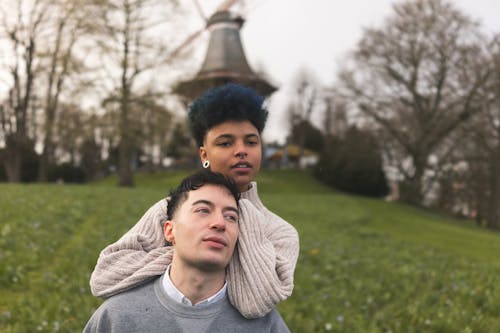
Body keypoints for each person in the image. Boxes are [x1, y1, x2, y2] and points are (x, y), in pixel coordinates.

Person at [89, 83, 299, 318]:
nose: (241, 151)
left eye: (251, 142)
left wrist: (242, 212)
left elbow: (254, 302)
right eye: (225, 143)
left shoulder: (280, 233)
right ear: (204, 154)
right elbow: (105, 276)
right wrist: (185, 259)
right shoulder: (171, 211)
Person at [84, 171, 290, 332]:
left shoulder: (266, 326)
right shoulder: (117, 318)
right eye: (203, 210)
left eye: (230, 217)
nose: (219, 223)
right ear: (169, 231)